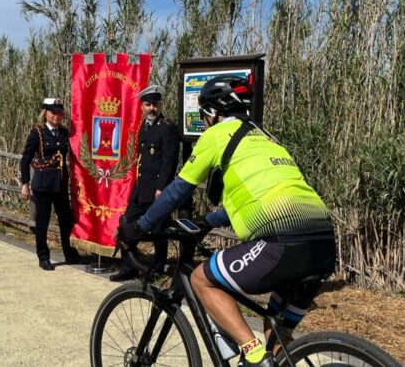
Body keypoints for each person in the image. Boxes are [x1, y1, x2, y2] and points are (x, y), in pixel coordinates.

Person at [119, 75, 336, 366]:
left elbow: (177, 190)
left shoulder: (218, 133)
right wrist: (207, 219)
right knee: (277, 340)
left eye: (202, 115)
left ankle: (251, 351)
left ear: (211, 113)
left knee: (201, 280)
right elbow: (257, 195)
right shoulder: (266, 138)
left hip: (282, 242)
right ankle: (267, 356)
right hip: (322, 241)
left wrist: (139, 228)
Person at [109, 85, 180, 282]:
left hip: (157, 189)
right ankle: (129, 266)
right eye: (148, 104)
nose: (152, 108)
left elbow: (169, 161)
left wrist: (161, 188)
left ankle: (156, 270)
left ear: (160, 105)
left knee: (159, 232)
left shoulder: (168, 128)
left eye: (155, 104)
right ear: (142, 106)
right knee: (126, 224)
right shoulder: (143, 127)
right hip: (141, 189)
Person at [20, 98, 82, 271]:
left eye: (59, 113)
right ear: (45, 113)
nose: (57, 116)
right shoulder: (37, 133)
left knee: (65, 220)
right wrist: (25, 183)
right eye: (53, 112)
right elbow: (25, 160)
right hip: (43, 185)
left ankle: (69, 253)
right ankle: (43, 256)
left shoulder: (63, 132)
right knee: (43, 221)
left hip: (60, 185)